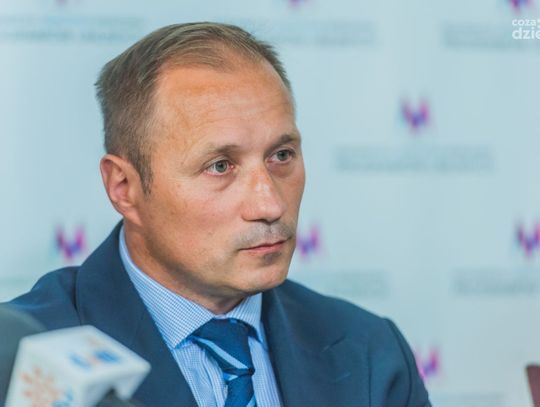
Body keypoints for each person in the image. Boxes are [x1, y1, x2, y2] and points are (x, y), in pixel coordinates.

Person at [6, 23, 431, 406]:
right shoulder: (23, 360)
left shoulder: (370, 352)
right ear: (124, 188)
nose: (270, 205)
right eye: (220, 166)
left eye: (282, 155)